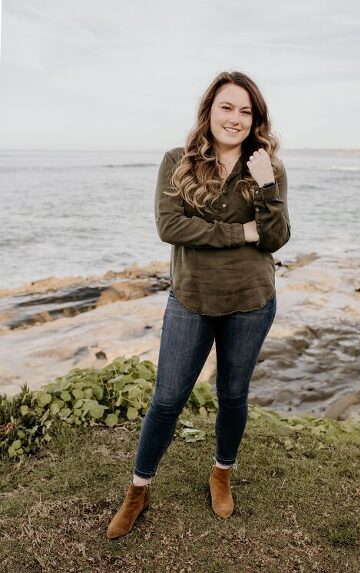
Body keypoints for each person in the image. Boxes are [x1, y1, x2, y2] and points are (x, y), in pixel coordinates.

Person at [107, 71, 290, 540]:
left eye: (246, 111)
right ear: (209, 111)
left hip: (251, 301)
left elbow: (275, 238)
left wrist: (266, 188)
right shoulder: (177, 161)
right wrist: (240, 232)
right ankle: (138, 490)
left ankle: (221, 474)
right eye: (227, 107)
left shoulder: (267, 167)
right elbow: (170, 227)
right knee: (168, 398)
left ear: (255, 119)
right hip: (190, 299)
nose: (235, 118)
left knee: (233, 395)